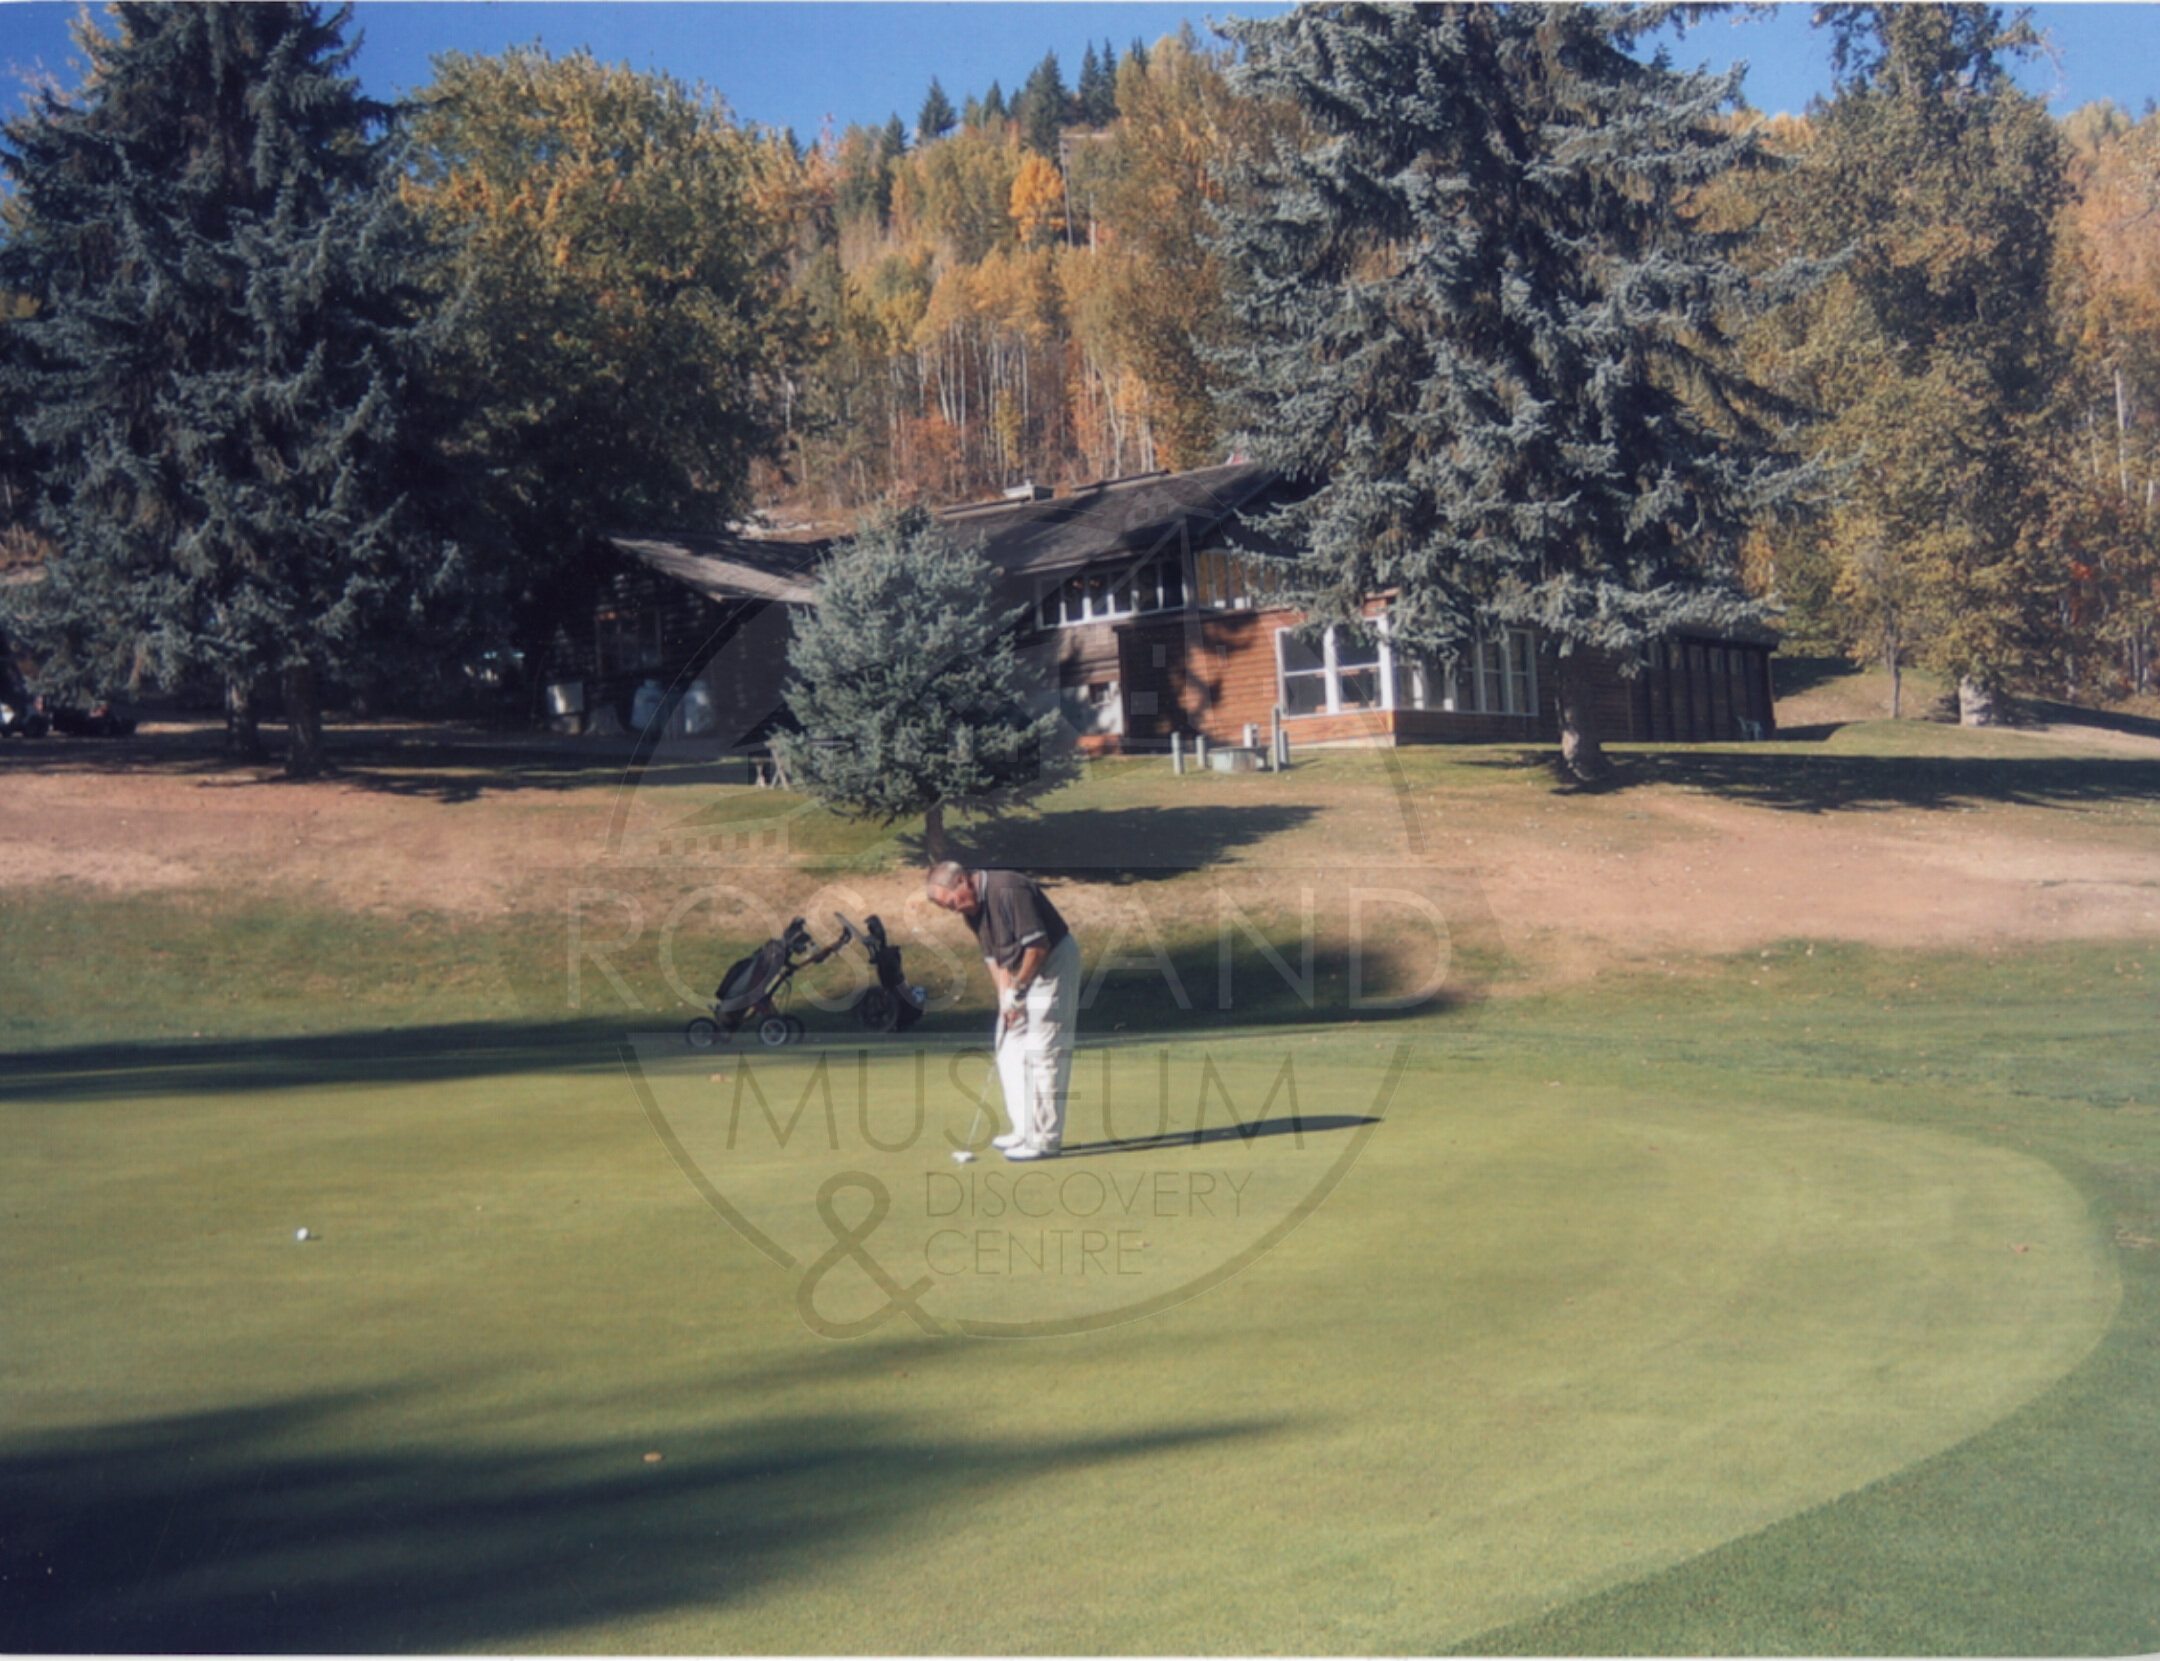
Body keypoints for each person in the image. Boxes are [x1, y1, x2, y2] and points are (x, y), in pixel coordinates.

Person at [925, 860, 1081, 1160]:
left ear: (963, 881)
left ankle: (1045, 1139)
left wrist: (1018, 989)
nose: (954, 909)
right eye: (947, 908)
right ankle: (1024, 1129)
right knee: (1008, 1044)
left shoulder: (1010, 888)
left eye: (953, 902)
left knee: (1043, 1048)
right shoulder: (972, 912)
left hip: (1052, 966)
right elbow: (995, 961)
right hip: (1021, 973)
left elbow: (1038, 947)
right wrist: (1005, 999)